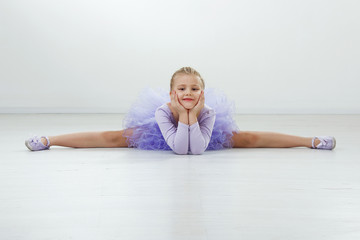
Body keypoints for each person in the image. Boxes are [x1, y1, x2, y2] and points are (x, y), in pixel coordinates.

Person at [25, 67, 336, 154]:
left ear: (202, 92)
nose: (189, 93)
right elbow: (177, 149)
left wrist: (191, 116)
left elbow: (195, 150)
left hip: (199, 130)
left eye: (194, 89)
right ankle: (50, 139)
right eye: (182, 89)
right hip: (163, 131)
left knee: (248, 139)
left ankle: (310, 140)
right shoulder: (163, 109)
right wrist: (182, 116)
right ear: (172, 93)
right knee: (114, 137)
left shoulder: (208, 110)